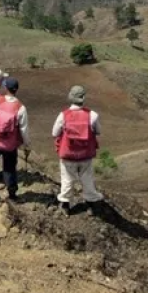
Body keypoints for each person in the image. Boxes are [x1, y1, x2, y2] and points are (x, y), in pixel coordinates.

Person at [52, 85, 104, 216]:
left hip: (68, 154)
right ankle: (90, 206)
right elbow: (98, 131)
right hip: (86, 155)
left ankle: (65, 206)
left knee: (67, 180)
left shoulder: (63, 115)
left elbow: (54, 133)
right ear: (83, 99)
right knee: (87, 179)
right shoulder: (92, 115)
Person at [0, 77, 30, 200]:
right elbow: (24, 130)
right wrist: (26, 145)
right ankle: (12, 194)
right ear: (16, 90)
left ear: (5, 88)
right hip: (10, 144)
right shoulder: (21, 108)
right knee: (9, 168)